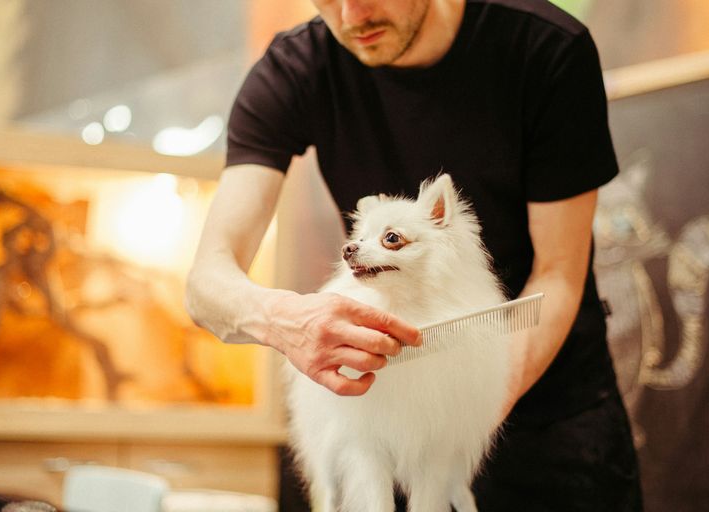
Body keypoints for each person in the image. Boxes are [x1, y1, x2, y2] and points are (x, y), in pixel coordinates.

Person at [185, 0, 642, 509]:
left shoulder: (546, 48)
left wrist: (462, 414)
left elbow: (557, 274)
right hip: (383, 418)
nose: (351, 15)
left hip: (549, 409)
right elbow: (207, 281)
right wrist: (282, 319)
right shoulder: (296, 68)